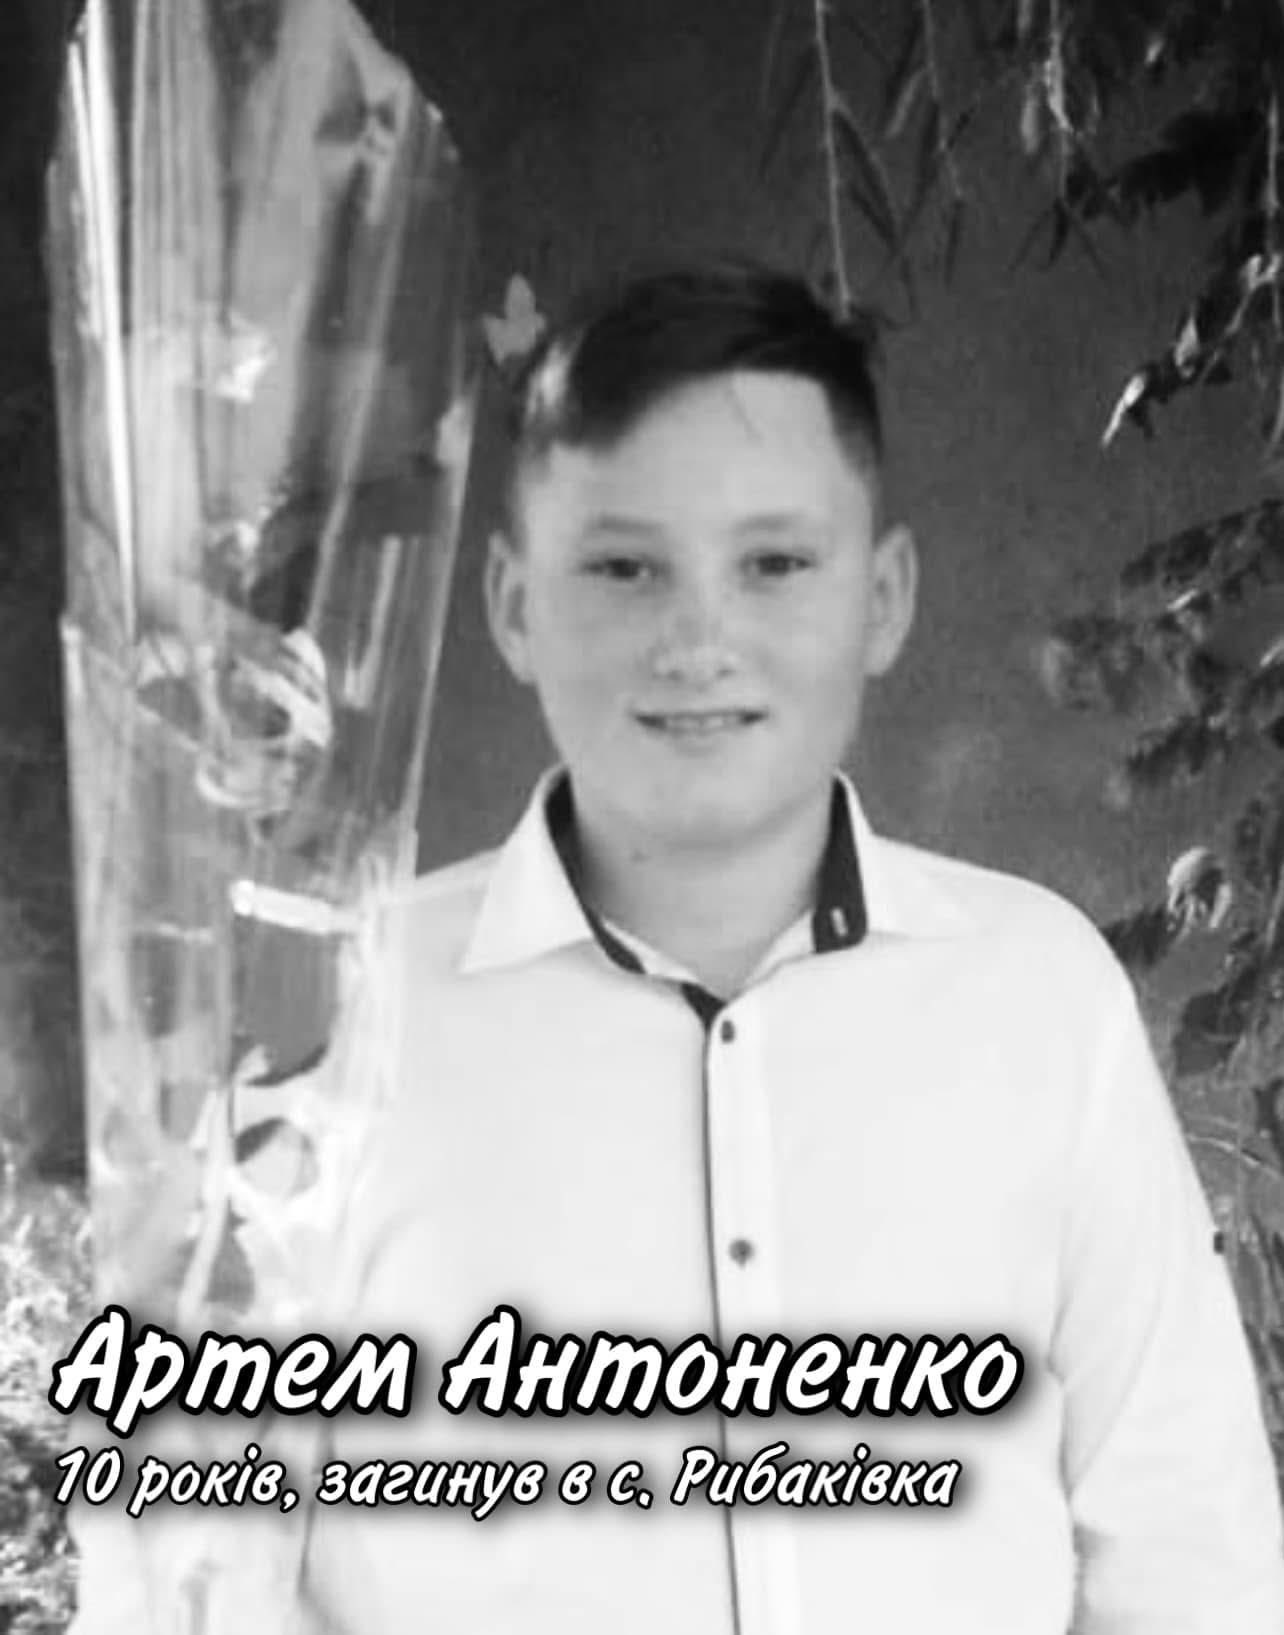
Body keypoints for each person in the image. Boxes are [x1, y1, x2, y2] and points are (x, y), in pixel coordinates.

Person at [72, 259, 1284, 1633]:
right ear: (513, 606)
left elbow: (1194, 1564)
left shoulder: (1038, 997)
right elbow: (177, 1581)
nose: (699, 639)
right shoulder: (324, 1022)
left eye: (775, 564)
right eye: (624, 568)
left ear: (884, 596)